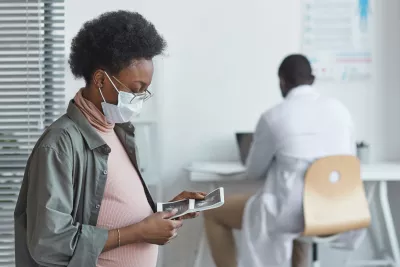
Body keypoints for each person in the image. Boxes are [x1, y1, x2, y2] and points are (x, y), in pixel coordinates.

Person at [14, 10, 206, 267]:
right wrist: (139, 232)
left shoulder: (118, 130)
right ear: (101, 79)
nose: (138, 100)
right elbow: (49, 243)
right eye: (135, 90)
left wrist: (166, 210)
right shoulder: (60, 144)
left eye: (145, 92)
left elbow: (107, 211)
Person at [204, 54, 364, 267]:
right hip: (338, 208)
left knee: (212, 211)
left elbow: (253, 172)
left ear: (282, 81)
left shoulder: (274, 117)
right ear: (312, 79)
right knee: (300, 206)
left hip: (293, 214)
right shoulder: (341, 111)